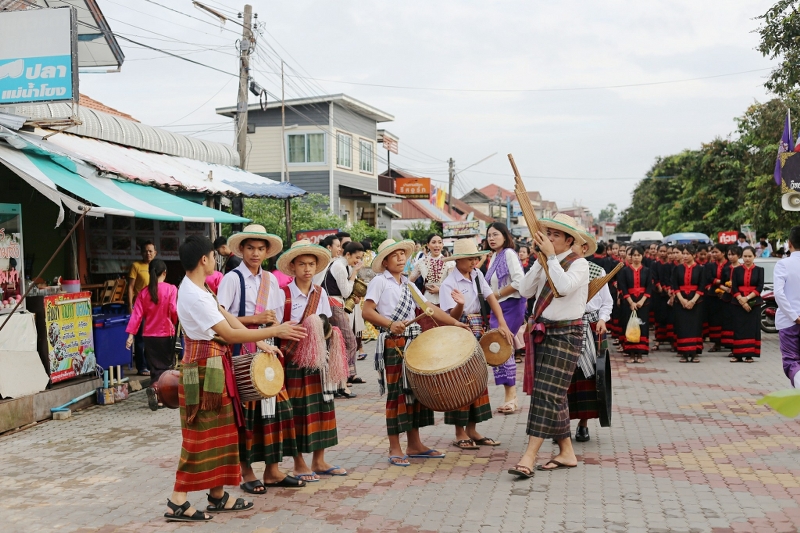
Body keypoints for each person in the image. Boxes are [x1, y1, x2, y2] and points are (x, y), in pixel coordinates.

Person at [165, 235, 305, 522]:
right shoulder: (193, 294)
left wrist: (262, 342)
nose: (216, 259)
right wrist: (272, 332)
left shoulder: (199, 288)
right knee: (200, 435)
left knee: (224, 434)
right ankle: (177, 501)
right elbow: (230, 335)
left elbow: (226, 316)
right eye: (212, 256)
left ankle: (217, 495)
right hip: (205, 371)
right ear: (204, 259)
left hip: (214, 367)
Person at [361, 239, 470, 467]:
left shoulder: (408, 285)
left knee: (414, 394)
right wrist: (390, 324)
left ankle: (415, 444)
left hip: (413, 341)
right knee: (396, 396)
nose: (401, 258)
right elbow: (367, 312)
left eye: (403, 254)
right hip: (393, 343)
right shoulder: (379, 282)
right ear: (385, 261)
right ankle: (395, 447)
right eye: (395, 255)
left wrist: (454, 323)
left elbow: (431, 310)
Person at [216, 225, 307, 493]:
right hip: (240, 353)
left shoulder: (270, 280)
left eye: (260, 249)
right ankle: (246, 473)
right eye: (250, 248)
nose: (255, 253)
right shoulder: (231, 279)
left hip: (267, 351)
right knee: (247, 415)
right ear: (241, 250)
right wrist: (255, 320)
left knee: (278, 411)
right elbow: (219, 317)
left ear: (267, 252)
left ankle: (272, 471)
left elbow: (276, 319)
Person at [508, 213, 588, 478]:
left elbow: (562, 288)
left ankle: (529, 456)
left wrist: (551, 258)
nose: (549, 238)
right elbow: (525, 291)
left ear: (568, 240)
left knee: (546, 393)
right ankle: (566, 452)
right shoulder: (546, 261)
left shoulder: (579, 264)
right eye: (548, 233)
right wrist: (540, 261)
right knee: (555, 394)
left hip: (567, 334)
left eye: (555, 235)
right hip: (544, 331)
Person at [276, 240, 345, 480]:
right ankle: (298, 463)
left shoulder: (320, 292)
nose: (307, 269)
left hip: (317, 359)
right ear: (293, 266)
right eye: (302, 264)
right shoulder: (283, 294)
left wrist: (326, 333)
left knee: (322, 408)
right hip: (293, 360)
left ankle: (319, 460)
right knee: (296, 412)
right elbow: (274, 327)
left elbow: (325, 320)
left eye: (311, 264)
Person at [439, 238, 513, 450]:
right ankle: (459, 432)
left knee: (477, 377)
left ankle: (472, 428)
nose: (474, 262)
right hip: (458, 330)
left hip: (479, 328)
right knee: (459, 380)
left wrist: (503, 323)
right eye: (470, 259)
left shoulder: (478, 276)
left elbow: (491, 300)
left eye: (475, 258)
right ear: (458, 261)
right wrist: (460, 306)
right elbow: (449, 316)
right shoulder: (449, 283)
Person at [566, 230, 612, 443]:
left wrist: (602, 319)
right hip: (565, 326)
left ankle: (583, 424)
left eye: (575, 244)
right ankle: (561, 424)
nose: (571, 247)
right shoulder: (561, 270)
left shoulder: (597, 270)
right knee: (566, 377)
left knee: (588, 377)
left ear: (584, 249)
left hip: (590, 325)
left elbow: (606, 302)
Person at [484, 223, 526, 415]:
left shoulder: (509, 253)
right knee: (499, 350)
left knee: (502, 347)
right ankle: (510, 396)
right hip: (498, 307)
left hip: (511, 305)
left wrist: (497, 294)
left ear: (505, 235)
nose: (492, 238)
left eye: (496, 234)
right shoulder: (493, 256)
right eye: (489, 235)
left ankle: (511, 397)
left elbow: (519, 282)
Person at [125, 259, 177, 411]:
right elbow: (174, 310)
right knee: (166, 367)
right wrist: (175, 322)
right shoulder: (171, 289)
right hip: (166, 333)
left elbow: (136, 315)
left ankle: (155, 390)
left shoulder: (143, 293)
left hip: (148, 335)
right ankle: (162, 396)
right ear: (164, 273)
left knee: (154, 368)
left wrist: (130, 335)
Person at [321, 240, 366, 396]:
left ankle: (342, 379)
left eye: (360, 258)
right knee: (350, 341)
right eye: (356, 257)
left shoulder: (340, 264)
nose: (358, 261)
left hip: (333, 306)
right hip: (334, 306)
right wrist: (354, 273)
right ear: (348, 254)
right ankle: (343, 378)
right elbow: (346, 292)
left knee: (337, 344)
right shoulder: (340, 267)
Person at [618, 246, 654, 364]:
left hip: (643, 302)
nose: (636, 257)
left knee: (642, 327)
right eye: (634, 255)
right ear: (631, 257)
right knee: (630, 326)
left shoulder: (647, 271)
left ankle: (640, 354)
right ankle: (631, 354)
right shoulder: (625, 271)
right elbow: (623, 287)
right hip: (629, 302)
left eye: (639, 255)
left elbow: (649, 287)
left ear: (642, 256)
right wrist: (631, 302)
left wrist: (642, 301)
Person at [729, 246, 765, 363]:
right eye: (745, 256)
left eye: (750, 256)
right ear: (742, 257)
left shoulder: (759, 270)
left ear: (754, 256)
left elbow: (759, 287)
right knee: (738, 328)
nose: (747, 259)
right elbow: (734, 287)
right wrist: (741, 300)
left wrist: (747, 298)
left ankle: (749, 355)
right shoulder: (737, 270)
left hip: (754, 302)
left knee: (752, 328)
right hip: (737, 303)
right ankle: (738, 355)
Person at [671, 245, 705, 363]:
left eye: (687, 254)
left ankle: (694, 353)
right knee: (682, 327)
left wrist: (692, 301)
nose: (685, 256)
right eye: (683, 253)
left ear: (694, 255)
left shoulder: (700, 269)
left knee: (695, 327)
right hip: (681, 301)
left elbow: (701, 286)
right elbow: (675, 286)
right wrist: (682, 300)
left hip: (696, 301)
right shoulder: (678, 268)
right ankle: (684, 353)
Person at [776, 226, 800, 386]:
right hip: (791, 320)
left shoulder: (783, 264)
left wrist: (794, 316)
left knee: (792, 362)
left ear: (789, 243)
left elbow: (778, 294)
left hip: (788, 322)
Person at [128, 241, 156, 376]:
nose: (148, 253)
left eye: (151, 251)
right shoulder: (136, 266)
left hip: (153, 308)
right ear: (141, 253)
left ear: (155, 253)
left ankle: (151, 365)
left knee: (151, 338)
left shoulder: (156, 267)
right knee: (140, 339)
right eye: (145, 251)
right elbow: (130, 287)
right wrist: (130, 306)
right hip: (140, 307)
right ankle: (141, 366)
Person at [409, 233, 454, 307]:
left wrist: (440, 290)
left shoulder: (450, 263)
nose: (437, 245)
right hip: (427, 301)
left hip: (446, 301)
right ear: (428, 245)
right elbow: (409, 281)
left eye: (440, 242)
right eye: (433, 242)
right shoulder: (421, 262)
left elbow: (453, 285)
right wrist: (417, 295)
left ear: (442, 245)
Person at [705, 244, 728, 353]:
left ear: (723, 253)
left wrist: (721, 284)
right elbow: (708, 277)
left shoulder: (729, 265)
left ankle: (727, 342)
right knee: (714, 319)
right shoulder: (710, 266)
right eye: (712, 252)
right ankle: (716, 342)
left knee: (726, 318)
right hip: (713, 295)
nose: (713, 254)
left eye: (716, 252)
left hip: (727, 293)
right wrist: (717, 282)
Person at [720, 246, 742, 354]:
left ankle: (737, 346)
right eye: (729, 254)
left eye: (733, 254)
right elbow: (721, 283)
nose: (731, 257)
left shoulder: (742, 268)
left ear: (739, 255)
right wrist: (726, 289)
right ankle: (730, 345)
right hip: (728, 298)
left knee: (738, 322)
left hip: (739, 298)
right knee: (728, 321)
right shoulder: (725, 268)